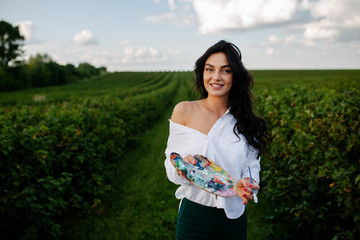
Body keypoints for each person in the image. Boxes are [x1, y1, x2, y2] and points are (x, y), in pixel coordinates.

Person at [164, 40, 268, 240]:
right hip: (194, 216)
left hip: (233, 219)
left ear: (235, 76)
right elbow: (171, 163)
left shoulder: (247, 123)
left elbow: (251, 167)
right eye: (209, 69)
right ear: (202, 73)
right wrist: (182, 167)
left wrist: (248, 183)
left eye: (225, 70)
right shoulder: (184, 110)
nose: (216, 77)